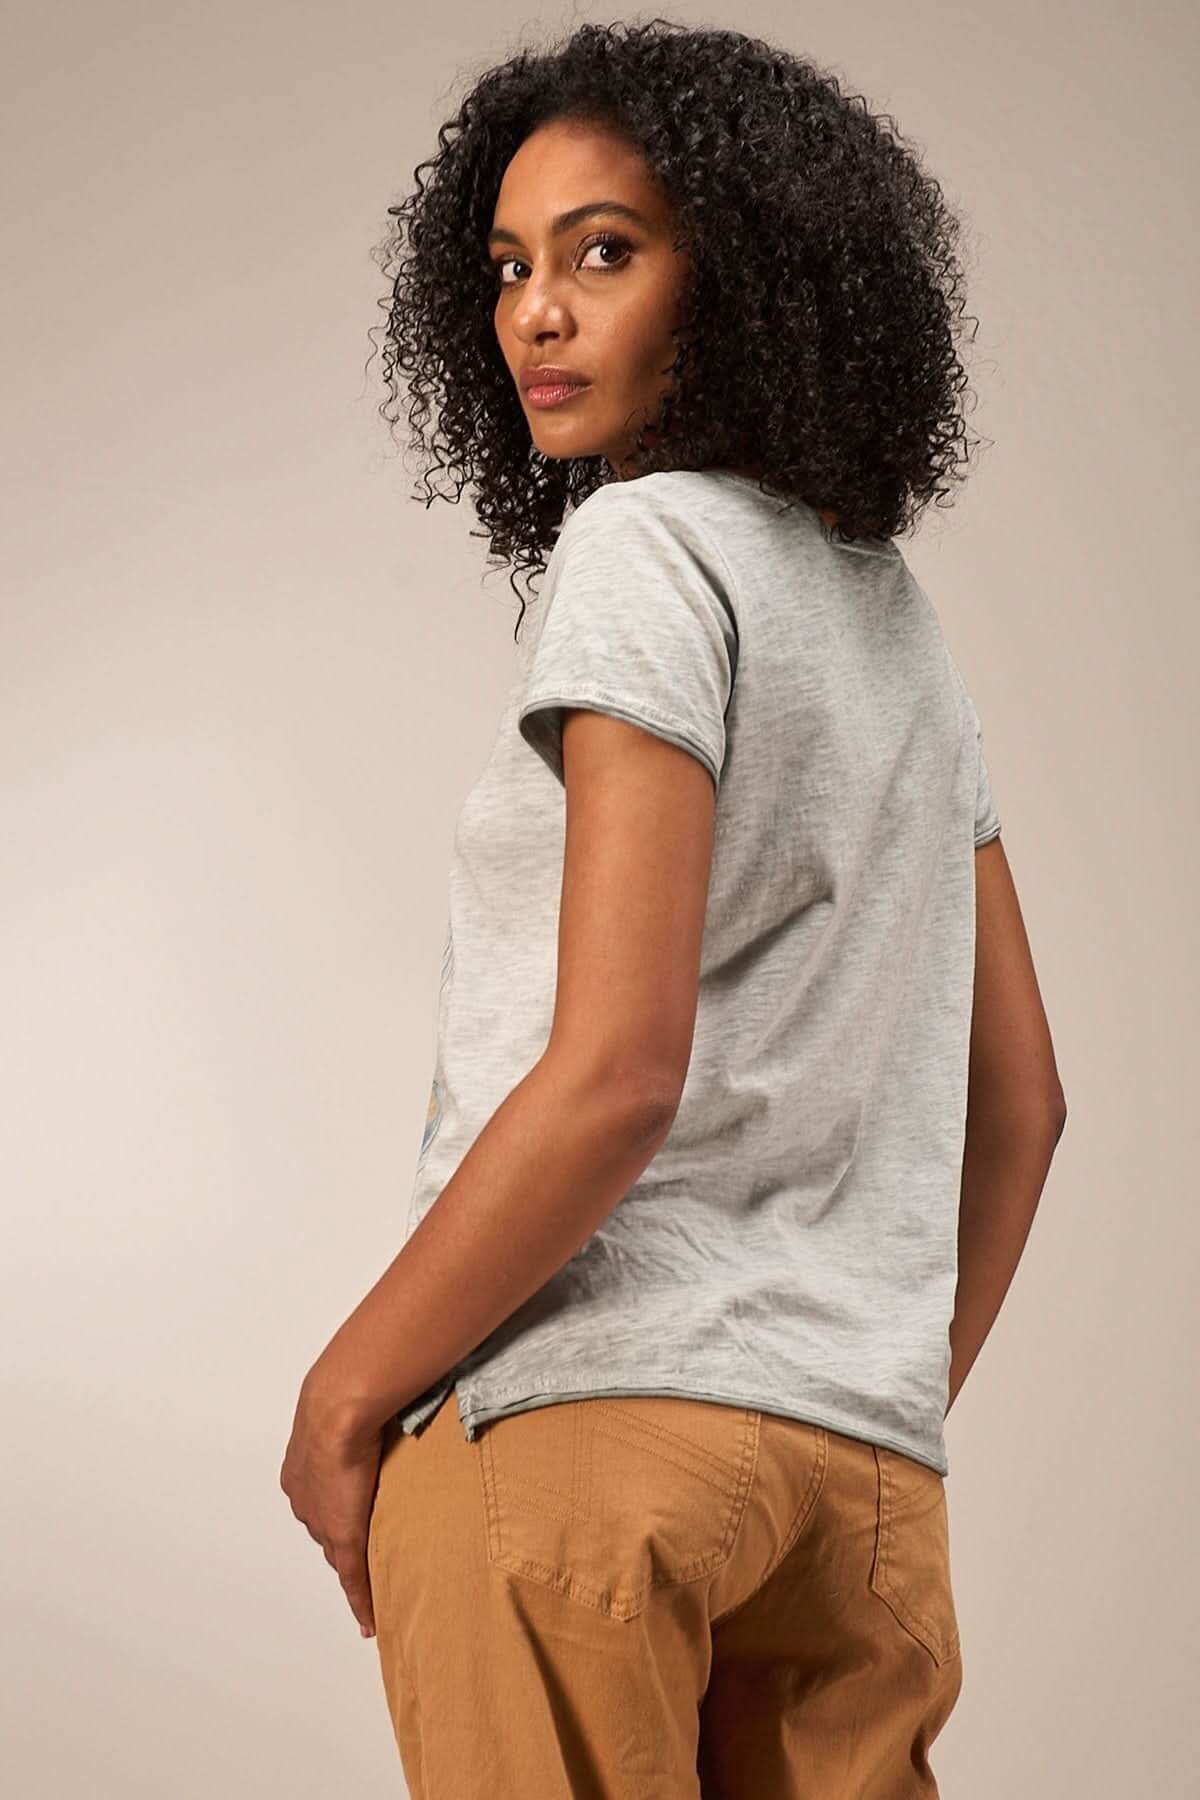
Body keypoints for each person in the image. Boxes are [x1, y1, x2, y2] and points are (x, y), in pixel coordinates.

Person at [280, 19, 1067, 1796]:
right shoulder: (893, 620)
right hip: (858, 1495)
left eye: (605, 253)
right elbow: (1028, 1102)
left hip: (589, 1430)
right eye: (509, 267)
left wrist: (343, 1397)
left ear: (749, 279)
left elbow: (617, 1072)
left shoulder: (644, 548)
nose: (537, 315)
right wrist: (862, 1381)